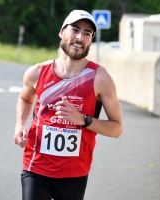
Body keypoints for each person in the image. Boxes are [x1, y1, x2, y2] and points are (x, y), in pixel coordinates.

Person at [13, 9, 123, 200]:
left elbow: (117, 129)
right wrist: (20, 125)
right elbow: (25, 99)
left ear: (91, 40)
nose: (80, 37)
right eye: (75, 30)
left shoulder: (100, 78)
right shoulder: (37, 72)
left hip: (75, 172)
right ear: (62, 32)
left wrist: (83, 120)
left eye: (87, 33)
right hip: (35, 165)